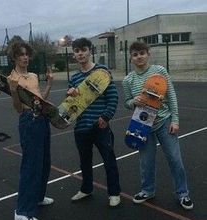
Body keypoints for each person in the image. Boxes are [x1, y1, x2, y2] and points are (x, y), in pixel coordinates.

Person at [122, 41, 193, 210]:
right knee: (146, 161)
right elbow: (126, 103)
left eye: (142, 53)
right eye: (135, 54)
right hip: (142, 124)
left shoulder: (159, 71)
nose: (139, 57)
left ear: (148, 54)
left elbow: (172, 96)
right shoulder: (128, 80)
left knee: (175, 159)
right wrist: (134, 101)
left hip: (164, 121)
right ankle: (148, 190)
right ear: (130, 58)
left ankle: (183, 193)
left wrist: (175, 120)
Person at [68, 37, 121, 207]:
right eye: (77, 51)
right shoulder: (74, 78)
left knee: (109, 160)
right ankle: (86, 189)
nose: (80, 53)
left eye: (83, 49)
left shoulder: (102, 71)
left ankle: (114, 193)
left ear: (90, 51)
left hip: (100, 126)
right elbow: (72, 107)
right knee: (84, 161)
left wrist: (106, 117)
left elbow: (112, 97)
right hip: (81, 127)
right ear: (74, 55)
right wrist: (70, 96)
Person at [7, 40, 54, 220]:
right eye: (21, 54)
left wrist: (49, 84)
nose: (24, 57)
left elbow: (41, 100)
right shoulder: (12, 79)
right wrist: (12, 90)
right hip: (28, 121)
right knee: (31, 165)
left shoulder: (34, 76)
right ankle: (23, 211)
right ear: (14, 57)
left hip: (42, 118)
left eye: (26, 54)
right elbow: (19, 109)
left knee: (44, 162)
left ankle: (38, 197)